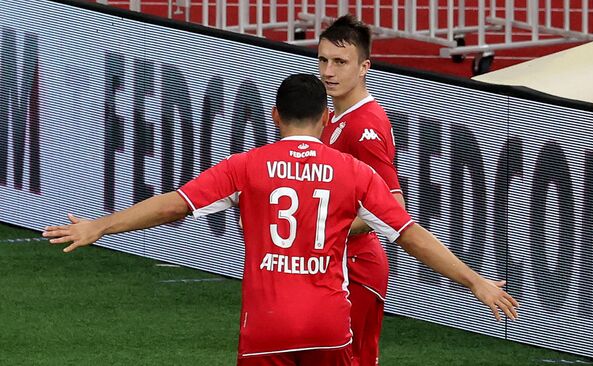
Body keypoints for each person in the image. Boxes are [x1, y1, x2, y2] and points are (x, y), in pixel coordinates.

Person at [42, 74, 518, 366]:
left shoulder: (246, 166)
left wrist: (100, 225)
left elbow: (174, 204)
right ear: (323, 118)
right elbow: (410, 235)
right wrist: (474, 280)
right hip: (327, 324)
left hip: (266, 325)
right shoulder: (354, 173)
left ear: (275, 116)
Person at [318, 14, 404, 366]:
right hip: (337, 261)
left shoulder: (364, 127)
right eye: (323, 60)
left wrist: (324, 229)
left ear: (364, 66)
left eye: (340, 62)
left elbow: (393, 205)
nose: (328, 72)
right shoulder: (335, 116)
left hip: (357, 264)